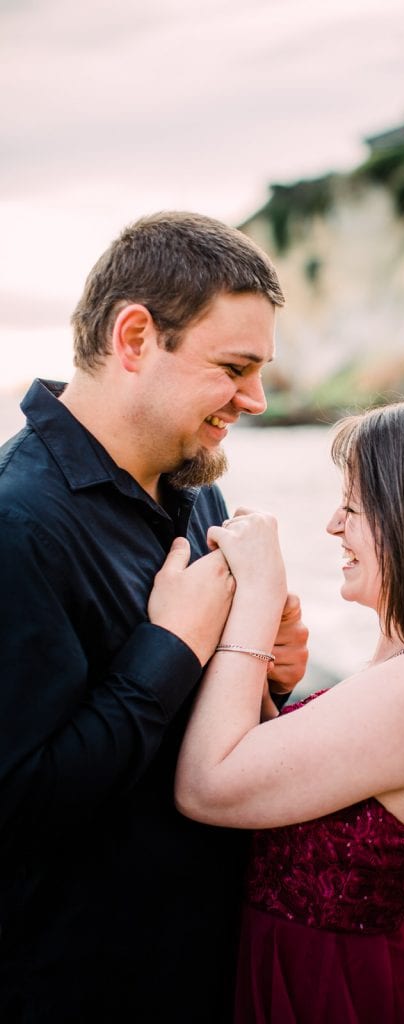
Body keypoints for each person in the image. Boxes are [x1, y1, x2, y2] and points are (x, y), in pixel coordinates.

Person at [0, 212, 308, 1023]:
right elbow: (18, 806)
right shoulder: (15, 525)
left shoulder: (193, 486)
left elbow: (208, 740)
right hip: (87, 988)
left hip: (214, 965)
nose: (256, 398)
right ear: (134, 337)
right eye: (234, 367)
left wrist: (265, 671)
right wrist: (171, 646)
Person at [168, 385, 404, 1023]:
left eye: (354, 506)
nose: (333, 525)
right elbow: (279, 790)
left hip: (327, 992)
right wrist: (263, 676)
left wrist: (259, 594)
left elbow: (207, 786)